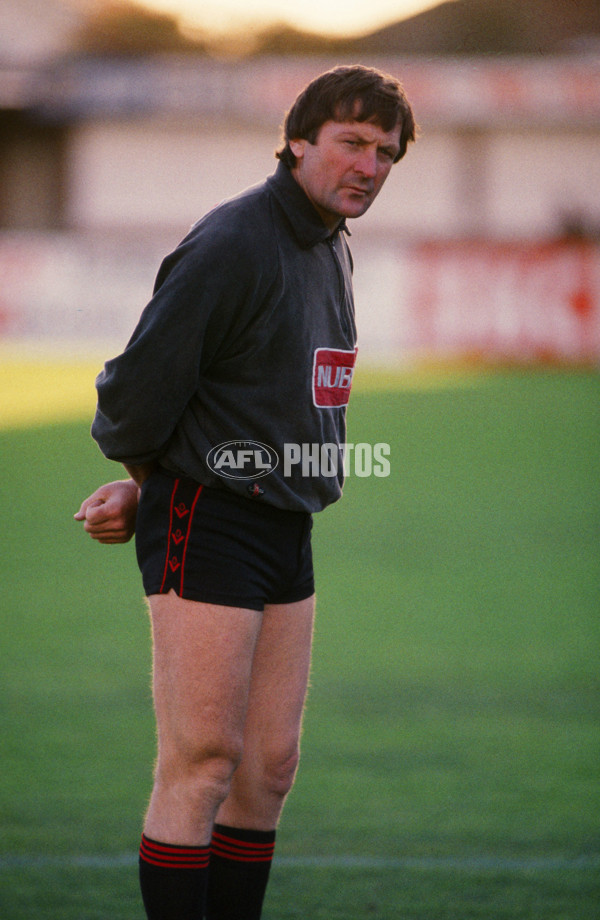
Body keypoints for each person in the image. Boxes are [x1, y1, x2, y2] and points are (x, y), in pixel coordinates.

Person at [75, 65, 415, 920]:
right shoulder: (234, 240)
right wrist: (152, 489)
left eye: (386, 152)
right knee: (203, 762)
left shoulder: (330, 239)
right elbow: (133, 392)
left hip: (285, 523)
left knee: (269, 768)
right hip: (210, 519)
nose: (370, 165)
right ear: (299, 140)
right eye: (351, 143)